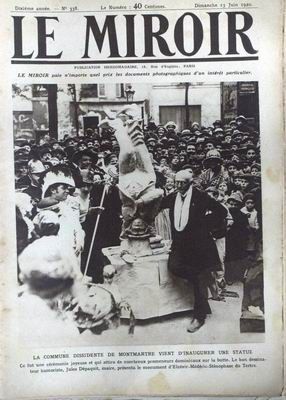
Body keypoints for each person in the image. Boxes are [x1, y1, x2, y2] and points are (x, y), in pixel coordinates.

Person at [160, 169, 227, 332]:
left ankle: (199, 316)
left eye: (182, 183)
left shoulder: (200, 197)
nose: (179, 185)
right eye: (177, 182)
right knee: (174, 267)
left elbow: (222, 211)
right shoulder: (172, 197)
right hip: (180, 245)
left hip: (199, 246)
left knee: (199, 279)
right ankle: (201, 286)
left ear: (190, 183)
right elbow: (157, 206)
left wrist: (206, 225)